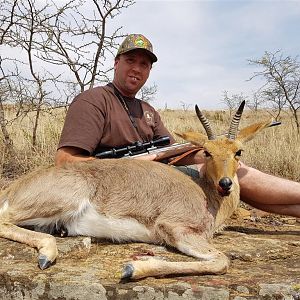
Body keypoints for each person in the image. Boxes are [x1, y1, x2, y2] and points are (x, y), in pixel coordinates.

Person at [55, 33, 300, 218]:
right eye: (131, 60)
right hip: (118, 187)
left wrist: (212, 153)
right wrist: (134, 164)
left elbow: (173, 153)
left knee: (227, 169)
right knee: (231, 179)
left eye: (144, 64)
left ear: (150, 70)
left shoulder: (147, 110)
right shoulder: (93, 100)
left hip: (155, 177)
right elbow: (65, 163)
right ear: (116, 63)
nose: (137, 69)